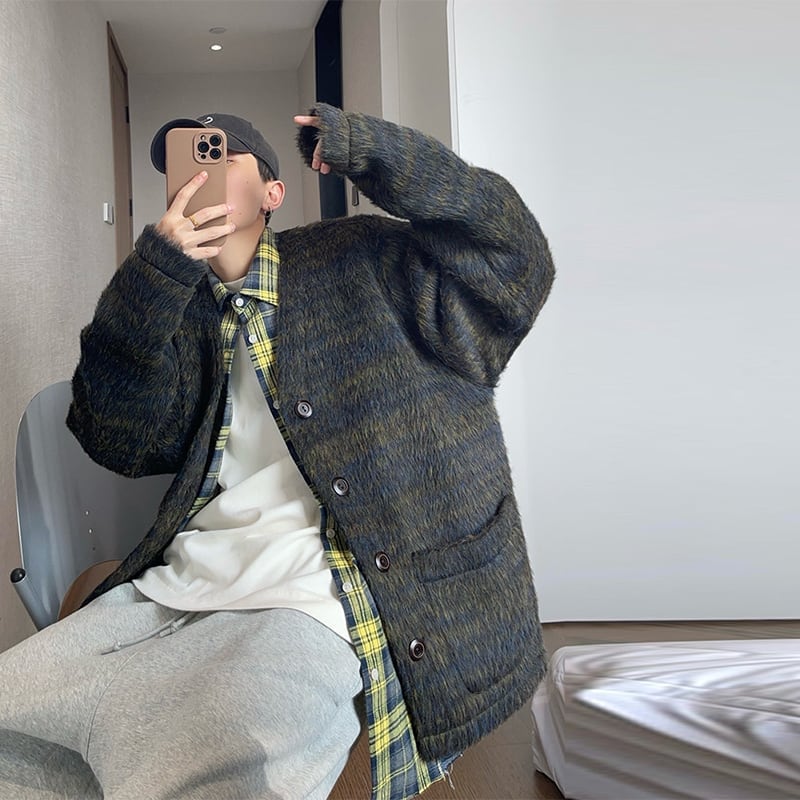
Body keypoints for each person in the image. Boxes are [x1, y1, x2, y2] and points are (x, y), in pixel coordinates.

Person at [0, 103, 555, 800]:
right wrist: (153, 276)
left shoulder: (362, 257)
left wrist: (370, 149)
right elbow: (112, 434)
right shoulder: (177, 308)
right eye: (183, 161)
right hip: (176, 587)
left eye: (219, 153)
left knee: (222, 757)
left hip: (313, 596)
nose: (197, 171)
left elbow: (516, 260)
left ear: (273, 192)